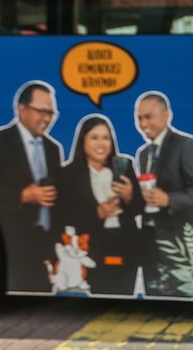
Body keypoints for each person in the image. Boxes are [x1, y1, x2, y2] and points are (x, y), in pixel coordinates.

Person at [0, 81, 62, 292]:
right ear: (22, 109)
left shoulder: (53, 148)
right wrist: (23, 195)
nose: (47, 119)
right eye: (41, 111)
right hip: (12, 241)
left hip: (47, 243)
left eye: (51, 113)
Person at [134, 91, 193, 295]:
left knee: (185, 302)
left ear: (166, 115)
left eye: (148, 117)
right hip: (151, 244)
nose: (143, 124)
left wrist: (168, 199)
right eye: (139, 118)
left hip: (183, 244)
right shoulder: (143, 154)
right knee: (155, 300)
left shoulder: (187, 145)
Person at [55, 115, 143, 296]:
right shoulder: (68, 173)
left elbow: (139, 208)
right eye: (94, 138)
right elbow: (64, 214)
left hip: (125, 244)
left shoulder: (124, 166)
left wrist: (130, 196)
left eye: (105, 138)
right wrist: (97, 213)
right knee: (99, 297)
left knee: (125, 296)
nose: (101, 143)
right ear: (83, 141)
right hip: (92, 248)